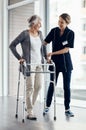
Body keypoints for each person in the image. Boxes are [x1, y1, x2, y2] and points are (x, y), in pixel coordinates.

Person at [9, 15, 47, 120]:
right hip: (29, 65)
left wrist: (46, 58)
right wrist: (19, 58)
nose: (41, 25)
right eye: (39, 23)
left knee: (38, 86)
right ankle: (30, 111)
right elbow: (12, 45)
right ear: (34, 24)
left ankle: (29, 106)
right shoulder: (25, 34)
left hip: (39, 64)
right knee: (29, 88)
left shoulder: (40, 34)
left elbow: (43, 47)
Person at [43, 13, 75, 117]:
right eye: (59, 21)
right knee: (52, 85)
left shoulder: (70, 33)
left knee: (67, 87)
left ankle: (67, 109)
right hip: (54, 63)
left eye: (62, 22)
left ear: (67, 22)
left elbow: (66, 50)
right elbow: (44, 43)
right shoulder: (54, 31)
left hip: (66, 64)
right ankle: (47, 106)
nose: (59, 23)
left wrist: (52, 53)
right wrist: (45, 56)